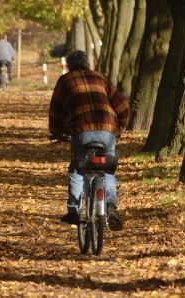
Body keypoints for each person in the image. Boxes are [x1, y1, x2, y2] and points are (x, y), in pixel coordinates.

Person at [48, 50, 129, 230]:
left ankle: (73, 211)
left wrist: (57, 132)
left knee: (77, 169)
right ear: (88, 64)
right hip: (107, 130)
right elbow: (122, 105)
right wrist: (120, 123)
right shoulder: (101, 77)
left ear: (69, 66)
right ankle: (110, 207)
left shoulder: (65, 80)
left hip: (81, 130)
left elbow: (56, 111)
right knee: (107, 170)